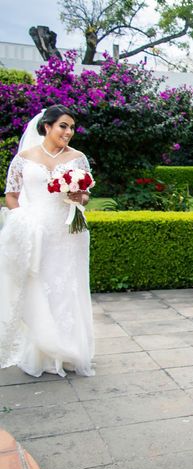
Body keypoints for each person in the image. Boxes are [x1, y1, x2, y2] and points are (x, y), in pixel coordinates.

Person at [0, 105, 94, 377]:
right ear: (47, 127)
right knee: (40, 286)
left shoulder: (78, 159)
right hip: (36, 231)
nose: (68, 132)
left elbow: (86, 195)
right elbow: (11, 196)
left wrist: (80, 197)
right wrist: (21, 220)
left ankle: (68, 350)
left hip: (69, 233)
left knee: (68, 287)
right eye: (63, 126)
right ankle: (43, 349)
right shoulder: (24, 158)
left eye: (72, 128)